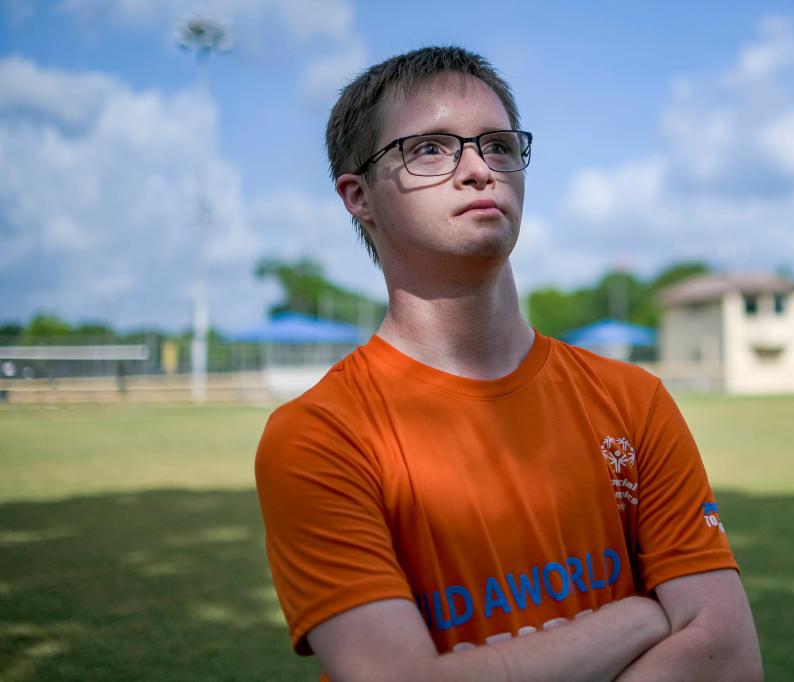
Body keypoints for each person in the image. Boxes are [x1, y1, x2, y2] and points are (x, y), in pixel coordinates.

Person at [255, 46, 763, 682]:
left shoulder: (634, 401)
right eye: (431, 149)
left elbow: (728, 660)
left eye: (497, 144)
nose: (478, 168)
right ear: (358, 196)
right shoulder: (318, 436)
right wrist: (634, 619)